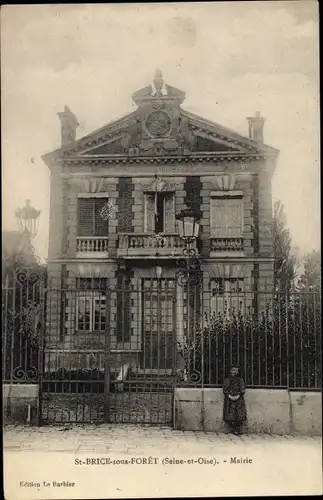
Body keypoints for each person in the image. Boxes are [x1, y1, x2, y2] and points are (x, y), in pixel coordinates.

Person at [223, 366, 247, 435]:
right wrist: (230, 396)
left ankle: (238, 429)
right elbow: (225, 390)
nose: (235, 372)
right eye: (233, 370)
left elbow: (242, 389)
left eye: (236, 370)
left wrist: (238, 395)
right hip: (230, 399)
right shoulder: (227, 379)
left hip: (239, 399)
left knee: (239, 414)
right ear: (230, 371)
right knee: (231, 414)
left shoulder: (240, 379)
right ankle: (233, 429)